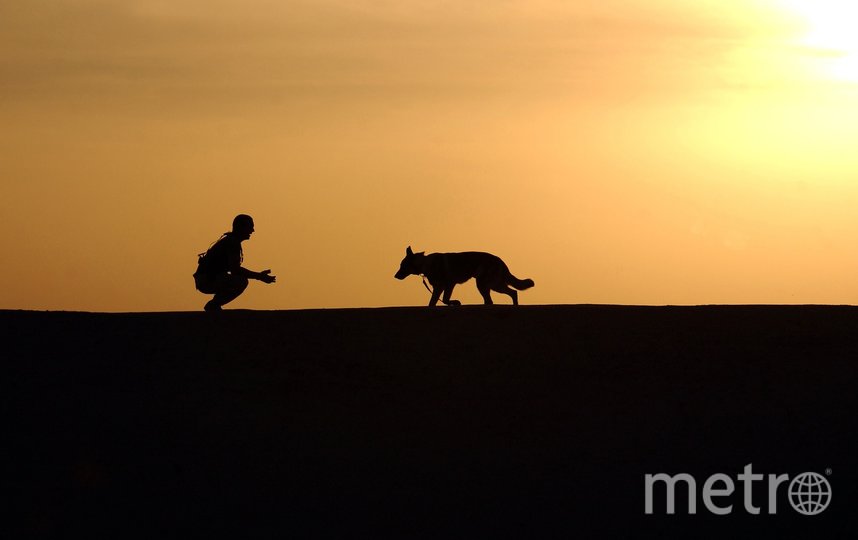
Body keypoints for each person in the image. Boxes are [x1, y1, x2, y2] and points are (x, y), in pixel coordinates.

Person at [194, 214, 276, 311]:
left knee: (238, 280)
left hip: (208, 278)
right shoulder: (232, 243)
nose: (252, 230)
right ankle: (213, 305)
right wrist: (259, 276)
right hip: (207, 280)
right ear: (241, 227)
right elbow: (235, 270)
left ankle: (214, 305)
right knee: (241, 282)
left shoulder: (231, 241)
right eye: (250, 227)